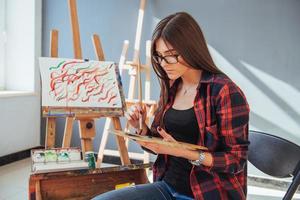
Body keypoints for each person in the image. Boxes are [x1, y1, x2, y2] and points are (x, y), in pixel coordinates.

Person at [93, 12, 250, 200]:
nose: (163, 63)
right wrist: (141, 130)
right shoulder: (172, 86)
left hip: (207, 193)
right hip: (167, 186)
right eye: (159, 56)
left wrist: (184, 152)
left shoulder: (224, 91)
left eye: (170, 56)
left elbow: (236, 160)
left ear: (191, 49)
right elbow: (163, 145)